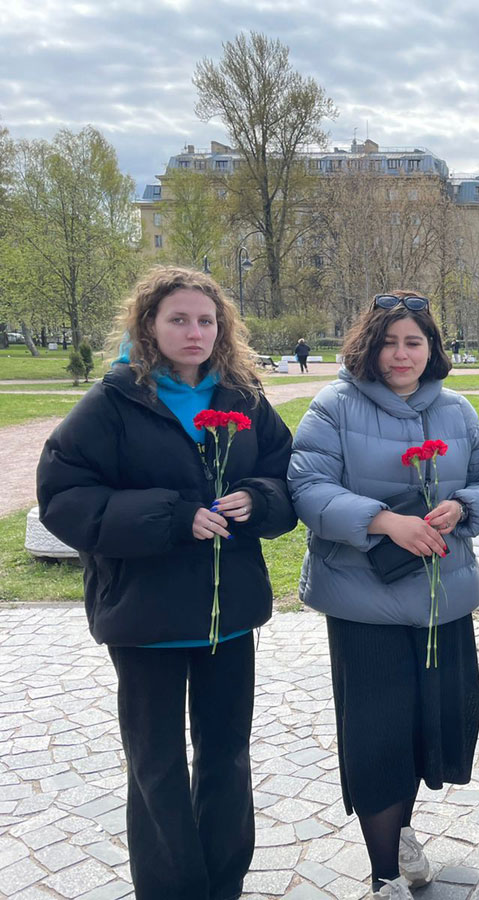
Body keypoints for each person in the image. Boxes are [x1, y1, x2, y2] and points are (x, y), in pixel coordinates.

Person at [36, 266, 296, 900]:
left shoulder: (244, 398)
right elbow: (64, 498)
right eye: (178, 319)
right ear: (148, 326)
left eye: (206, 320)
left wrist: (256, 501)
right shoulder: (113, 402)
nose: (195, 332)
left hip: (226, 614)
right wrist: (173, 518)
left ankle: (222, 882)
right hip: (146, 615)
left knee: (227, 757)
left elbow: (287, 481)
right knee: (156, 767)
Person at [289, 291, 479, 900]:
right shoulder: (334, 406)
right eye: (388, 341)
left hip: (441, 598)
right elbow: (307, 487)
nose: (400, 354)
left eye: (413, 341)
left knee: (428, 729)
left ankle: (404, 833)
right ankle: (384, 873)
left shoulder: (457, 411)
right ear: (367, 345)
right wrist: (384, 522)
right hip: (366, 606)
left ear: (432, 347)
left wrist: (462, 507)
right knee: (377, 738)